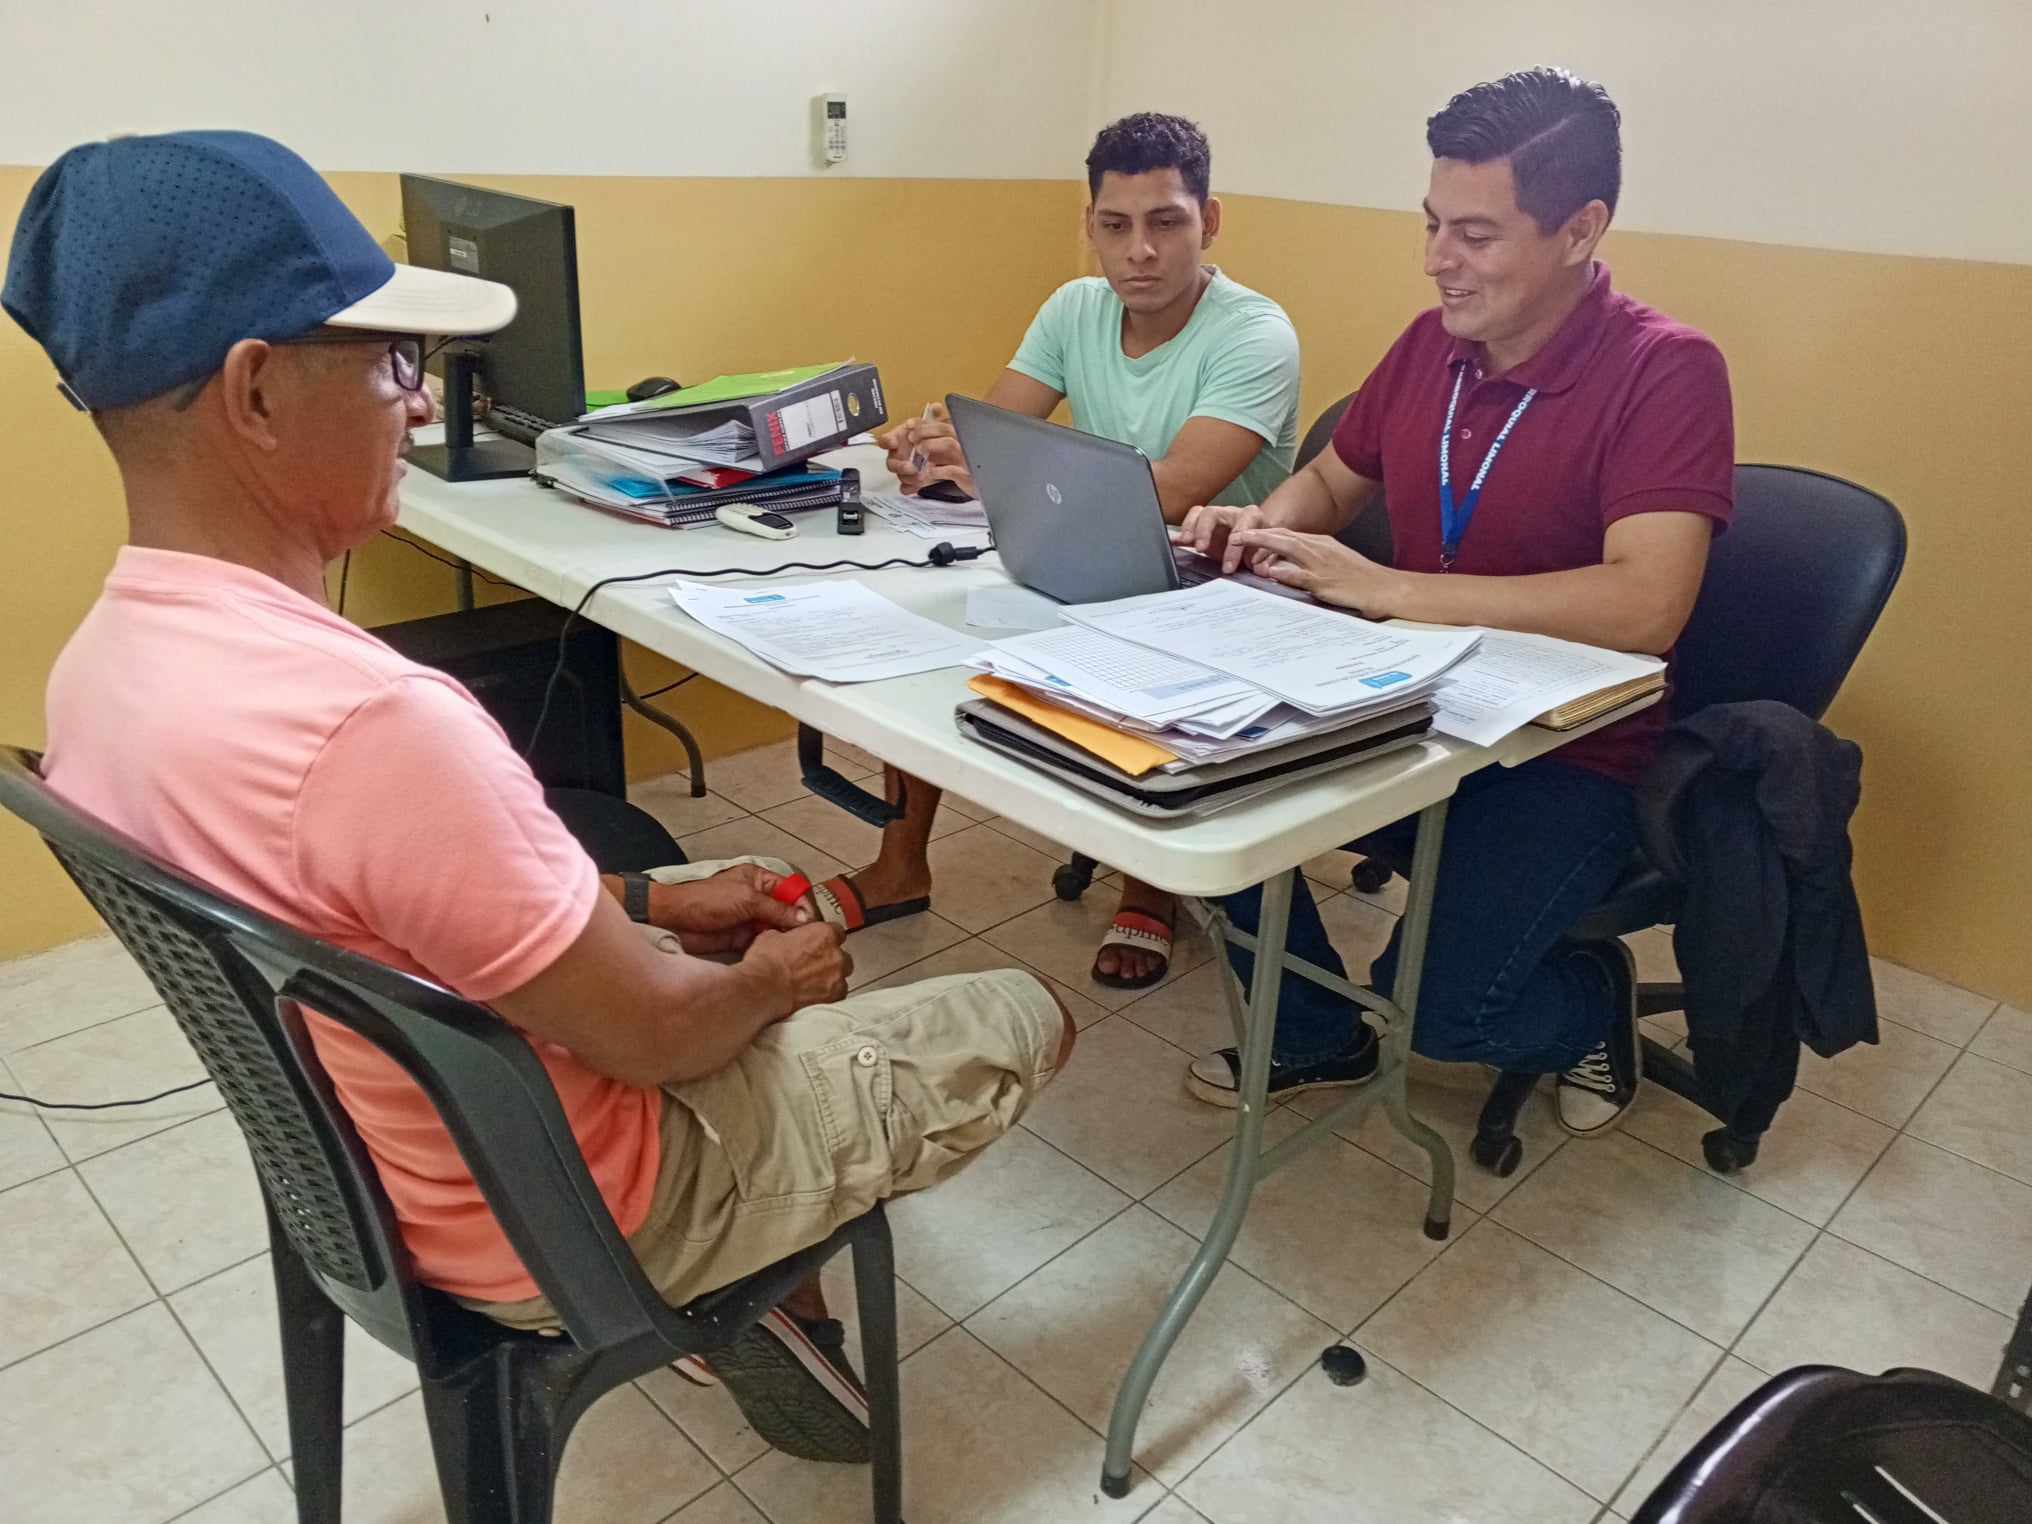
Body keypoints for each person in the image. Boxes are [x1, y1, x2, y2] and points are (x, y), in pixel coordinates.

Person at [7, 130, 1075, 1466]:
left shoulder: (99, 674)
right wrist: (775, 979)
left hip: (374, 1169)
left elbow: (382, 903)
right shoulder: (376, 726)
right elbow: (662, 1039)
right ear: (257, 391)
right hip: (569, 1216)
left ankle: (769, 1260)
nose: (416, 401)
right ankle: (732, 1263)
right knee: (1020, 1010)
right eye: (392, 361)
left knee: (668, 882)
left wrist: (656, 906)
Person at [1177, 68, 1734, 1136]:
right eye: (1433, 224)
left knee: (1441, 1013)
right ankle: (1313, 1033)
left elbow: (1646, 606)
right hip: (1411, 702)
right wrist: (1268, 525)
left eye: (1476, 235)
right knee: (1193, 788)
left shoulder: (1667, 370)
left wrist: (1394, 591)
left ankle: (1591, 1005)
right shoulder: (1432, 343)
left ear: (1579, 230)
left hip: (1565, 751)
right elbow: (1334, 477)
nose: (1439, 258)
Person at [827, 111, 1301, 993]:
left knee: (1131, 661)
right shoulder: (1074, 307)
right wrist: (935, 449)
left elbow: (1175, 490)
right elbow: (998, 432)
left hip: (1213, 592)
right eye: (1115, 226)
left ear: (1210, 222)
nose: (1139, 251)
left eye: (1166, 223)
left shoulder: (1254, 333)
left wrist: (988, 464)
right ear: (1090, 226)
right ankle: (901, 865)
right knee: (929, 635)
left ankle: (1148, 888)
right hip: (1084, 552)